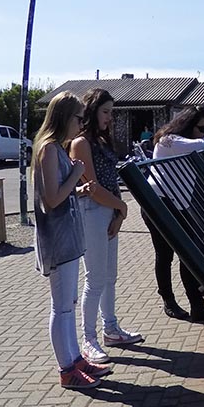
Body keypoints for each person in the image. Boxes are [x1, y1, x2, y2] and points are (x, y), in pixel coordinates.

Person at [33, 92, 112, 390]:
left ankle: (75, 359)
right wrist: (77, 174)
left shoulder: (55, 148)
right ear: (65, 116)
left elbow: (57, 195)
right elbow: (52, 199)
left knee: (67, 302)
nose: (82, 123)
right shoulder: (50, 149)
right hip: (58, 239)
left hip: (66, 236)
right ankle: (67, 368)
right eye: (79, 117)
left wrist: (77, 190)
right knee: (62, 307)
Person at [70, 89, 144, 365]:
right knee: (95, 278)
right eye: (106, 111)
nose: (110, 117)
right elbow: (92, 188)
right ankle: (89, 339)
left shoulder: (101, 141)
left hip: (109, 211)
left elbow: (109, 182)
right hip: (93, 212)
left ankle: (110, 328)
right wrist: (122, 207)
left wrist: (118, 211)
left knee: (109, 275)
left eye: (111, 111)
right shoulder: (80, 143)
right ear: (91, 111)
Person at [144, 107, 204, 321]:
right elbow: (203, 144)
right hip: (158, 203)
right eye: (201, 128)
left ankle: (196, 306)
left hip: (177, 204)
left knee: (189, 254)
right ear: (188, 124)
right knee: (166, 255)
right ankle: (169, 301)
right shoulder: (168, 140)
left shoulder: (192, 141)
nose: (203, 132)